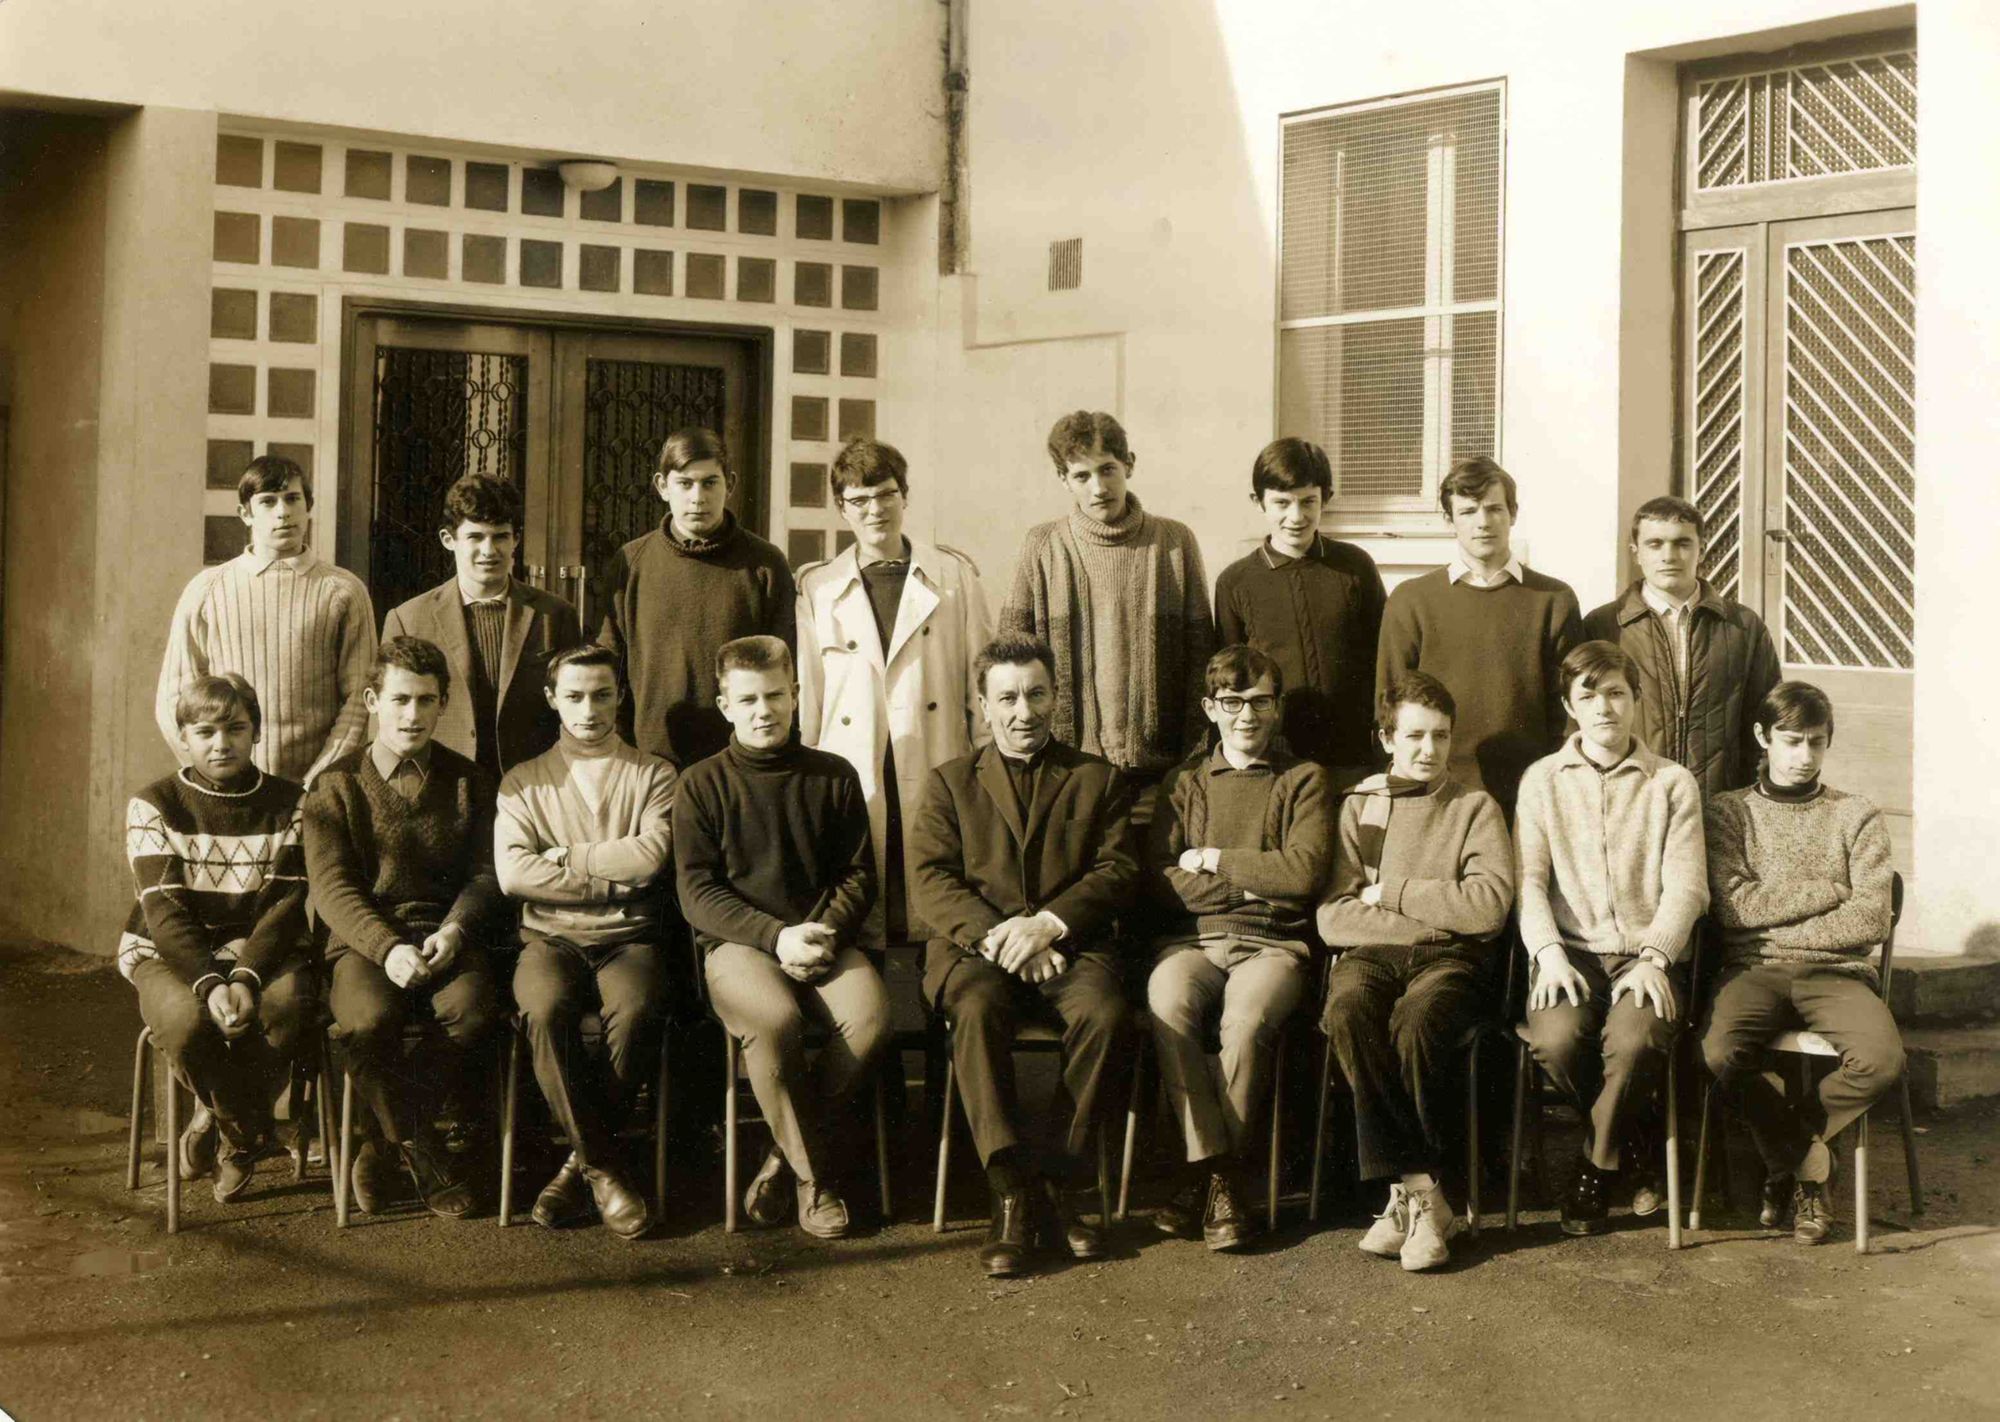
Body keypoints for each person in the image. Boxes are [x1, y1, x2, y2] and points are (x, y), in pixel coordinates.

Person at [911, 634, 1139, 1277]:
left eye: (1036, 694)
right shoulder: (950, 783)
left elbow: (1118, 870)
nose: (1024, 711)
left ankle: (1059, 1183)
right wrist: (1004, 938)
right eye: (1007, 698)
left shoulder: (1097, 778)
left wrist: (1048, 925)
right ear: (983, 705)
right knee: (975, 1010)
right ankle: (1008, 1189)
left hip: (1071, 947)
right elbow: (930, 879)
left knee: (1105, 1015)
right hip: (979, 951)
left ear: (1056, 697)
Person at [675, 635, 888, 1238]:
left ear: (795, 695)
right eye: (747, 700)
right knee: (773, 1023)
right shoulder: (700, 783)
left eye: (774, 695)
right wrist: (776, 938)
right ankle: (814, 1180)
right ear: (725, 706)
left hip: (822, 939)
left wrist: (821, 934)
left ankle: (781, 1153)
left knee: (870, 1019)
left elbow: (857, 875)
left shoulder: (833, 775)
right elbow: (697, 892)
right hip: (739, 945)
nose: (763, 711)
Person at [304, 637, 506, 1219]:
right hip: (364, 944)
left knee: (473, 1013)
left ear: (443, 704)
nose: (412, 714)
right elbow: (332, 886)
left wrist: (457, 929)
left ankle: (380, 1138)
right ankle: (418, 1146)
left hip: (445, 939)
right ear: (373, 701)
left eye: (425, 700)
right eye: (399, 699)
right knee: (368, 1020)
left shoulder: (470, 781)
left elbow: (487, 873)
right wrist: (387, 948)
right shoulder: (335, 785)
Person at [1317, 672, 1513, 1271]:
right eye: (1415, 736)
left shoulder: (1475, 809)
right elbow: (1333, 916)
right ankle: (1425, 1194)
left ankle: (1409, 1204)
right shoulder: (1361, 806)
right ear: (1387, 738)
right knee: (1346, 1010)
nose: (1430, 750)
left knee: (1418, 1020)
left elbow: (1487, 907)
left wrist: (1392, 892)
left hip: (1450, 961)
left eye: (1441, 736)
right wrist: (1431, 919)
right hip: (1375, 957)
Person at [1516, 641, 1707, 1236]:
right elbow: (1528, 882)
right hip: (1570, 955)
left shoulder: (1671, 782)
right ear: (1569, 706)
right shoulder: (1542, 781)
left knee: (1635, 1041)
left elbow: (1688, 887)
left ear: (1637, 699)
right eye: (1589, 694)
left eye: (1617, 693)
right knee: (1556, 1041)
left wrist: (1655, 956)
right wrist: (1548, 955)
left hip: (1644, 958)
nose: (1604, 707)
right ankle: (1637, 1138)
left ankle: (1596, 1161)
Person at [1145, 645, 1332, 1251]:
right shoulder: (1184, 783)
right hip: (1192, 944)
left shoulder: (1303, 779)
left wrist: (1212, 859)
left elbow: (1302, 875)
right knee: (1168, 1004)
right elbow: (1161, 880)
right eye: (1232, 702)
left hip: (1274, 947)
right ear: (1210, 708)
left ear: (1278, 707)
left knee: (1246, 1024)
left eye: (1260, 702)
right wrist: (1253, 884)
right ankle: (1220, 1175)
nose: (1247, 715)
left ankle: (1204, 1180)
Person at [1701, 681, 1902, 1245]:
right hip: (1755, 970)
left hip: (1837, 974)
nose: (1805, 756)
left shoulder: (1857, 815)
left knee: (1881, 1060)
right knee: (1716, 1054)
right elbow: (1734, 908)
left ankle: (1791, 1155)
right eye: (1791, 741)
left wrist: (1778, 919)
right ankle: (1810, 1167)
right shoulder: (1728, 812)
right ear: (1762, 737)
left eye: (1816, 742)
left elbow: (1870, 919)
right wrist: (1828, 891)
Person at [496, 645, 677, 1238]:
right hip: (551, 940)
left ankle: (578, 1165)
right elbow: (514, 874)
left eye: (602, 694)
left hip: (629, 937)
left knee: (639, 1007)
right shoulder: (523, 780)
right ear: (552, 699)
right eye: (573, 696)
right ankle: (602, 1167)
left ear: (620, 695)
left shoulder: (654, 774)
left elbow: (651, 858)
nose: (589, 709)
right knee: (543, 1008)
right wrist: (608, 878)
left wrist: (565, 858)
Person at [118, 673, 312, 1204]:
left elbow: (284, 905)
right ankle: (242, 1132)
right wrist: (210, 983)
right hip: (169, 952)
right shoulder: (154, 804)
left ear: (257, 732)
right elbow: (165, 911)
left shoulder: (290, 802)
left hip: (261, 950)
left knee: (288, 1008)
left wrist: (245, 977)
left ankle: (213, 1119)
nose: (220, 743)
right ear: (183, 736)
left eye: (235, 729)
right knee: (186, 1022)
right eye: (204, 732)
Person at [797, 438, 993, 946]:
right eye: (859, 500)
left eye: (885, 494)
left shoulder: (953, 576)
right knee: (864, 905)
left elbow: (981, 683)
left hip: (933, 753)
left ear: (905, 495)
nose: (875, 510)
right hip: (856, 763)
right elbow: (811, 697)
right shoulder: (818, 587)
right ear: (841, 507)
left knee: (934, 899)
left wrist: (984, 766)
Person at [998, 411, 1214, 818]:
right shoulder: (1042, 546)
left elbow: (1202, 661)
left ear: (1129, 464)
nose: (1098, 487)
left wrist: (1191, 766)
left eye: (1107, 469)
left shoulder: (1174, 542)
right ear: (1063, 479)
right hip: (1066, 773)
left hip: (1160, 776)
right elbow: (1008, 663)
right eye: (1082, 476)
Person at [1376, 456, 1583, 815]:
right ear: (1449, 520)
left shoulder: (1554, 599)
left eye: (1494, 509)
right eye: (1468, 511)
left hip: (1529, 794)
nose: (1483, 522)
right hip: (1436, 793)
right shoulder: (1412, 600)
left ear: (1513, 514)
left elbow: (1569, 708)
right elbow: (1389, 704)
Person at [157, 454, 375, 786]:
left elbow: (360, 699)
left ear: (308, 506)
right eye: (268, 501)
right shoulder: (206, 590)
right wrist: (214, 776)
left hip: (317, 790)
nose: (283, 511)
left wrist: (318, 785)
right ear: (245, 513)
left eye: (292, 498)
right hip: (228, 789)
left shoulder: (344, 590)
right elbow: (174, 698)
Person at [598, 427, 795, 769]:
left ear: (730, 484)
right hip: (652, 763)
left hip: (741, 762)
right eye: (685, 483)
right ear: (662, 486)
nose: (697, 497)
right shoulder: (632, 563)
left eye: (709, 483)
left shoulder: (765, 564)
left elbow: (784, 667)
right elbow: (610, 662)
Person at [380, 474, 583, 780]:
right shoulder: (407, 619)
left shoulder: (555, 615)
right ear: (449, 540)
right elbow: (388, 723)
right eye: (475, 537)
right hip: (440, 784)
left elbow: (576, 707)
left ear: (516, 539)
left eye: (500, 537)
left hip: (535, 785)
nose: (489, 551)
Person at [1583, 495, 1781, 797]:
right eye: (1655, 544)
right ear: (1636, 553)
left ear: (1702, 550)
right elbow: (1581, 721)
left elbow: (1768, 719)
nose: (1669, 556)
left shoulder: (1743, 626)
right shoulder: (1604, 625)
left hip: (1718, 801)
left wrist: (1755, 796)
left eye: (1682, 543)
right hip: (1630, 798)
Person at [1214, 438, 1385, 782]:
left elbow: (1382, 659)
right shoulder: (1235, 582)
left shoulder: (1355, 567)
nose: (1296, 516)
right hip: (1275, 763)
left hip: (1352, 758)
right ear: (1258, 502)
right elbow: (1229, 683)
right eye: (1282, 502)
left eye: (1308, 501)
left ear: (1326, 498)